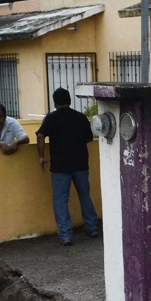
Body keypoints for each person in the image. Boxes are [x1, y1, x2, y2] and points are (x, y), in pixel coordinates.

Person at [37, 88, 99, 246]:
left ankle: (65, 235)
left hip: (60, 166)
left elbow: (40, 135)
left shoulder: (51, 118)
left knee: (60, 201)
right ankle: (92, 227)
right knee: (85, 196)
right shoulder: (80, 117)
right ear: (70, 101)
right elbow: (89, 138)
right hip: (80, 163)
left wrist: (41, 156)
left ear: (55, 103)